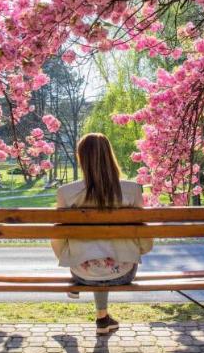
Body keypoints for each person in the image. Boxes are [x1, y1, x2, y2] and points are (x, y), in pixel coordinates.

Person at [51, 133, 153, 335]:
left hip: (82, 273)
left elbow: (58, 239)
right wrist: (136, 251)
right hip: (122, 272)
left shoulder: (67, 193)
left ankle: (97, 311)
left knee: (90, 258)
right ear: (110, 155)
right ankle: (102, 319)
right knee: (108, 256)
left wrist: (69, 259)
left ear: (81, 158)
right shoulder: (132, 190)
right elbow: (144, 238)